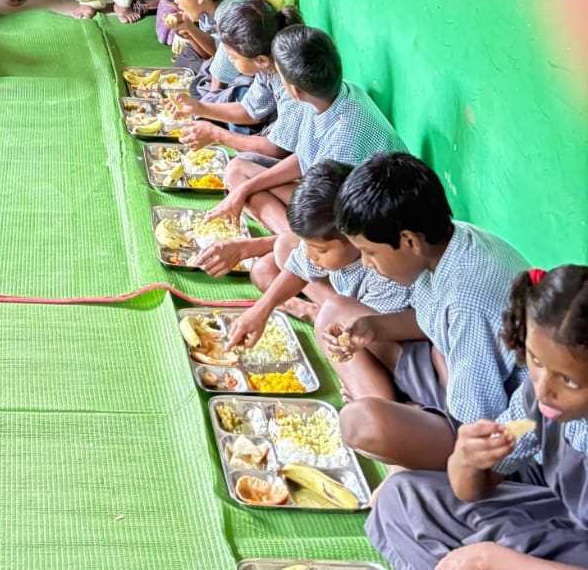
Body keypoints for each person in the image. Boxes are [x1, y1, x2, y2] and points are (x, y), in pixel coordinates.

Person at [369, 264, 588, 570]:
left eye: (570, 381)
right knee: (401, 498)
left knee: (501, 548)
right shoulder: (539, 398)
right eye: (535, 360)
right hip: (559, 512)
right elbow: (471, 489)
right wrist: (467, 461)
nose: (544, 390)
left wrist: (501, 561)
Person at [330, 153, 529, 472]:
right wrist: (374, 327)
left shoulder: (468, 299)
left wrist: (413, 412)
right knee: (335, 313)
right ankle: (399, 415)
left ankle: (404, 445)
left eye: (369, 253)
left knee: (360, 424)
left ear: (408, 240)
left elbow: (479, 424)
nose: (366, 263)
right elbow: (435, 321)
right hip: (448, 371)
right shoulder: (450, 240)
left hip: (488, 430)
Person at [208, 25, 407, 235]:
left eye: (280, 76)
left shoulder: (344, 137)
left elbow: (331, 213)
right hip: (325, 190)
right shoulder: (326, 95)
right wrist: (246, 188)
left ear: (295, 91)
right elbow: (303, 157)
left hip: (356, 213)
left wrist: (250, 188)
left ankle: (294, 242)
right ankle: (289, 236)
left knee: (253, 187)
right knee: (238, 171)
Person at [214, 162, 413, 353]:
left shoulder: (385, 272)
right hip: (351, 303)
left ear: (354, 238)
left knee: (354, 328)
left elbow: (370, 334)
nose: (310, 255)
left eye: (321, 250)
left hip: (379, 328)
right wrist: (260, 311)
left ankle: (317, 314)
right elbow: (298, 267)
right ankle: (320, 313)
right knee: (274, 260)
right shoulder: (340, 243)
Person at [172, 0, 303, 153]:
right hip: (277, 138)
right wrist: (199, 108)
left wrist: (217, 135)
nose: (228, 59)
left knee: (238, 167)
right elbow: (249, 111)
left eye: (233, 57)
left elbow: (277, 149)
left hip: (292, 153)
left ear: (260, 60)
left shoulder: (292, 87)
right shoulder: (268, 68)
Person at [165, 0, 250, 96]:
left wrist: (207, 108)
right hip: (222, 63)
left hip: (246, 77)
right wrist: (187, 26)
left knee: (203, 92)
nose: (176, 1)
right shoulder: (215, 0)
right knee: (186, 57)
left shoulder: (233, 17)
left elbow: (219, 78)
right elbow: (216, 49)